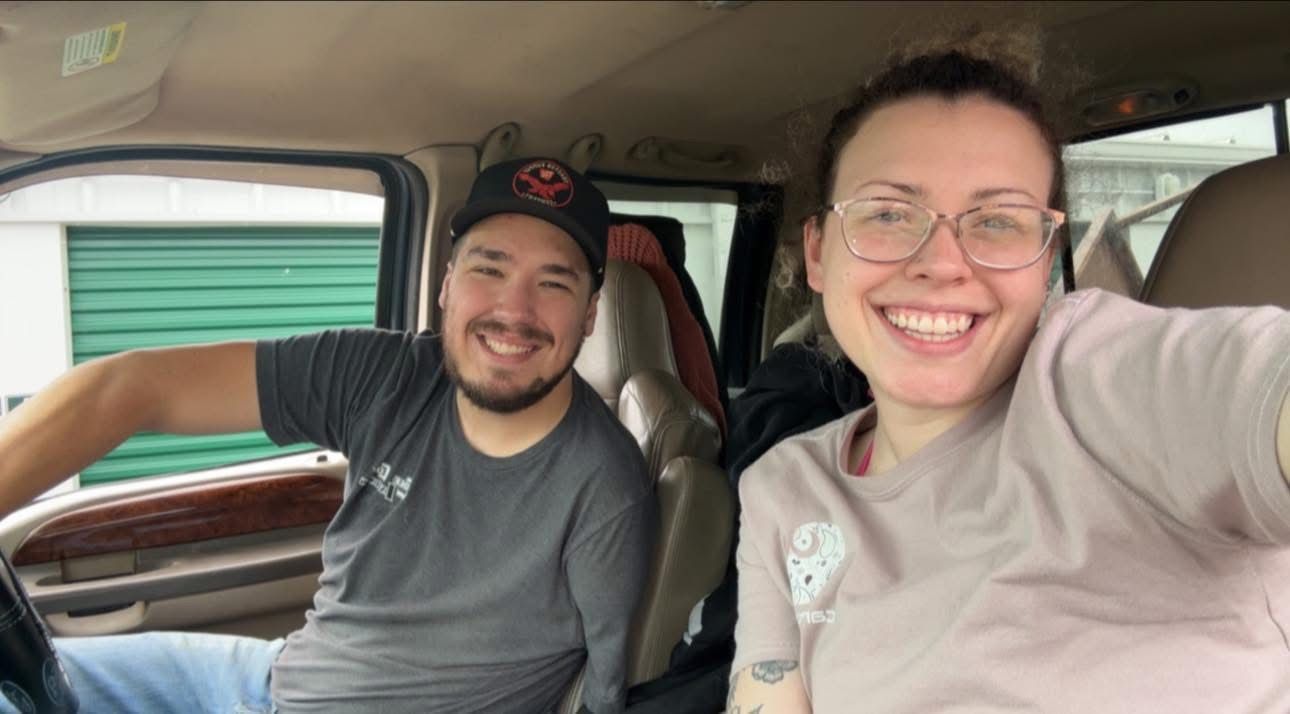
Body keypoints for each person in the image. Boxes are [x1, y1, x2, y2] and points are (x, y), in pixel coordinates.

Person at [727, 46, 1290, 713]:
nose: (942, 263)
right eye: (887, 213)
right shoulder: (784, 490)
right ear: (819, 253)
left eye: (997, 221)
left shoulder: (1098, 382)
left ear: (1046, 264)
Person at [0, 157, 657, 714]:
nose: (514, 310)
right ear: (447, 286)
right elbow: (130, 387)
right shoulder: (383, 374)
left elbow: (605, 690)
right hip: (275, 677)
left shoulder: (605, 486)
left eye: (554, 283)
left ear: (590, 314)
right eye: (489, 269)